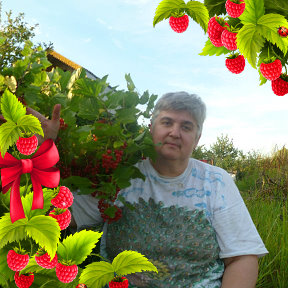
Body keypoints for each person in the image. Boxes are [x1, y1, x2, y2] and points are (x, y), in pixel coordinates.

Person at [32, 92, 268, 288]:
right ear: (151, 128)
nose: (175, 132)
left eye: (186, 126)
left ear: (197, 139)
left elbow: (242, 257)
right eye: (167, 122)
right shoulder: (118, 176)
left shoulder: (216, 182)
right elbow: (55, 218)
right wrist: (43, 149)